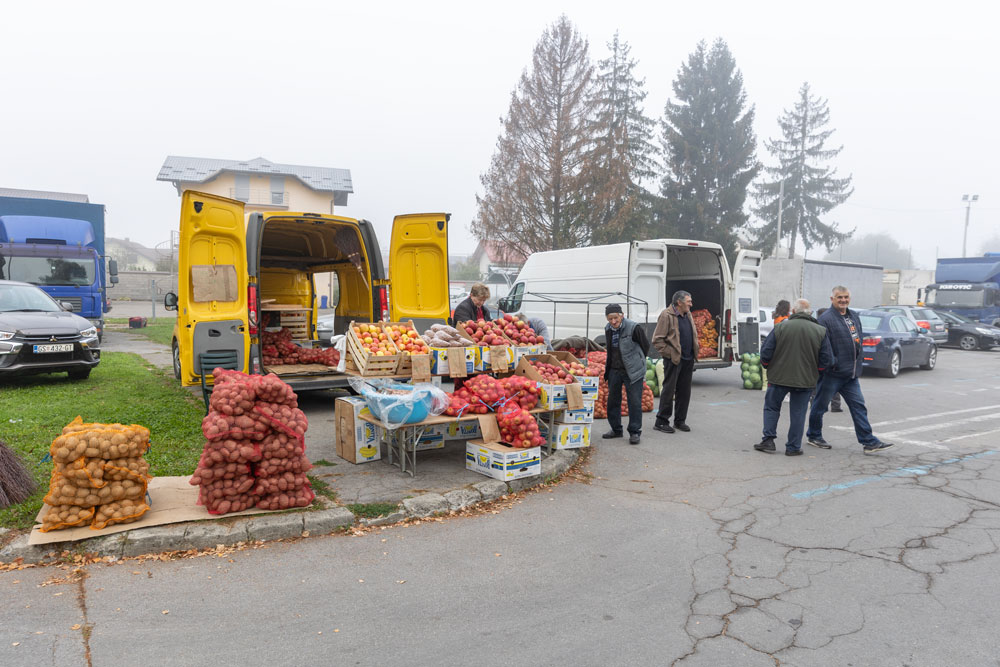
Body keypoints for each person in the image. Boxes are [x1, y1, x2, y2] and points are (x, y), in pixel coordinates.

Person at [806, 286, 895, 454]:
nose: (843, 300)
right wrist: (832, 364)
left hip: (851, 374)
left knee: (859, 407)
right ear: (832, 299)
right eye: (839, 297)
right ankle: (814, 435)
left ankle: (869, 442)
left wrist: (859, 361)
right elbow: (822, 347)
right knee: (820, 406)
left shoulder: (853, 315)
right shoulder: (825, 319)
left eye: (846, 297)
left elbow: (858, 338)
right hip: (832, 374)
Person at [754, 299, 834, 456]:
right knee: (798, 413)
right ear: (810, 313)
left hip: (778, 377)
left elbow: (766, 351)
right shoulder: (820, 331)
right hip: (805, 380)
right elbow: (827, 359)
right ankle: (793, 446)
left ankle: (768, 440)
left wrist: (767, 366)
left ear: (794, 311)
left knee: (772, 407)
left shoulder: (781, 327)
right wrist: (815, 372)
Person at [602, 304, 650, 445]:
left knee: (634, 401)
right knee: (613, 401)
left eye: (615, 318)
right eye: (610, 319)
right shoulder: (608, 329)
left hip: (632, 370)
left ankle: (635, 432)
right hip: (615, 369)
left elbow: (645, 346)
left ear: (622, 315)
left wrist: (637, 361)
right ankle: (616, 429)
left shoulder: (634, 328)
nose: (613, 321)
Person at [652, 290, 698, 434]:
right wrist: (671, 354)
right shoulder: (666, 315)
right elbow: (657, 340)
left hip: (688, 358)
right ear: (679, 302)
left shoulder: (687, 314)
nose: (691, 304)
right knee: (669, 390)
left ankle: (680, 421)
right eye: (688, 301)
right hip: (674, 360)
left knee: (684, 391)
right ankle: (661, 421)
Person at [814, 307, 842, 412]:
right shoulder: (834, 326)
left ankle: (814, 403)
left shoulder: (815, 327)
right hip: (833, 358)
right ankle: (836, 405)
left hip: (819, 359)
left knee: (817, 382)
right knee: (833, 382)